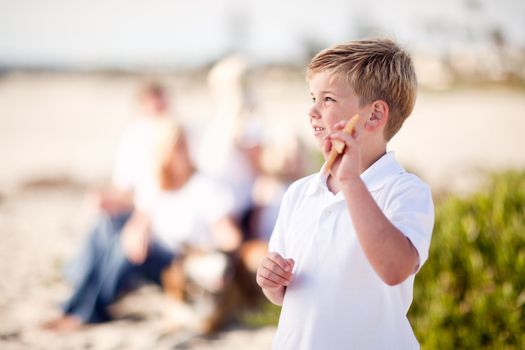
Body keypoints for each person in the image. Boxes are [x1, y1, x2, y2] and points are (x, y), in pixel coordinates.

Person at [256, 38, 434, 349]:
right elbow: (286, 294)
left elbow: (395, 270)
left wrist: (351, 180)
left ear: (374, 116)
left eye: (327, 99)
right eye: (312, 97)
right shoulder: (300, 193)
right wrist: (271, 281)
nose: (312, 110)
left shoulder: (404, 191)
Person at [45, 122, 241, 331]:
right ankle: (75, 304)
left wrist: (217, 259)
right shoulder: (158, 183)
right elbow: (141, 217)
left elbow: (229, 237)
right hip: (156, 248)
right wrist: (136, 232)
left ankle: (86, 311)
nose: (180, 154)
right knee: (105, 225)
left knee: (123, 248)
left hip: (180, 261)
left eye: (183, 147)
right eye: (175, 148)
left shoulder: (205, 187)